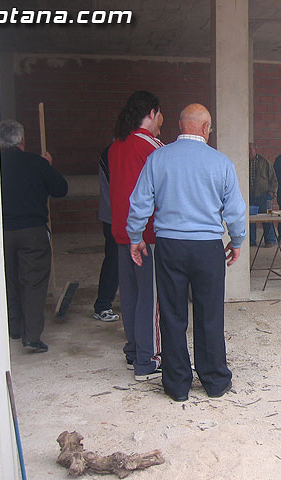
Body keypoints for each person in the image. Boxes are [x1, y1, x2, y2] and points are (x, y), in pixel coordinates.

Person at [127, 103, 245, 402]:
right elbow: (235, 210)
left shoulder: (158, 158)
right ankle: (215, 381)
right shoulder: (221, 163)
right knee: (210, 314)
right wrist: (238, 239)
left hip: (170, 246)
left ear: (180, 126)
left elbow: (140, 201)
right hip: (207, 248)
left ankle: (177, 385)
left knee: (172, 314)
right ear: (206, 128)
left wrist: (135, 236)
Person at [0, 119, 68, 353]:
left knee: (9, 279)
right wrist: (47, 165)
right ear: (23, 140)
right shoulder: (36, 162)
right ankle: (31, 336)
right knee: (33, 282)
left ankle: (14, 328)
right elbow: (60, 189)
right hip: (33, 231)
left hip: (2, 232)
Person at [109, 91, 164, 381]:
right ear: (153, 113)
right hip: (146, 233)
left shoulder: (116, 145)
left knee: (129, 294)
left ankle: (133, 350)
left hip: (121, 231)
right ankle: (148, 359)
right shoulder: (151, 145)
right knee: (150, 297)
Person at [92, 144, 119, 322]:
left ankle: (104, 304)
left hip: (118, 215)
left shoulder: (114, 150)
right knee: (114, 261)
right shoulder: (112, 151)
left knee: (115, 261)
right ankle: (103, 305)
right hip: (114, 217)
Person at [249, 142, 278, 247]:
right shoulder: (243, 161)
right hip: (249, 196)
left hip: (264, 196)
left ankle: (270, 240)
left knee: (267, 218)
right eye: (247, 150)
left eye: (250, 150)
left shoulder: (264, 162)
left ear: (255, 150)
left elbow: (273, 179)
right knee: (250, 220)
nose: (249, 152)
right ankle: (251, 241)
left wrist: (272, 192)